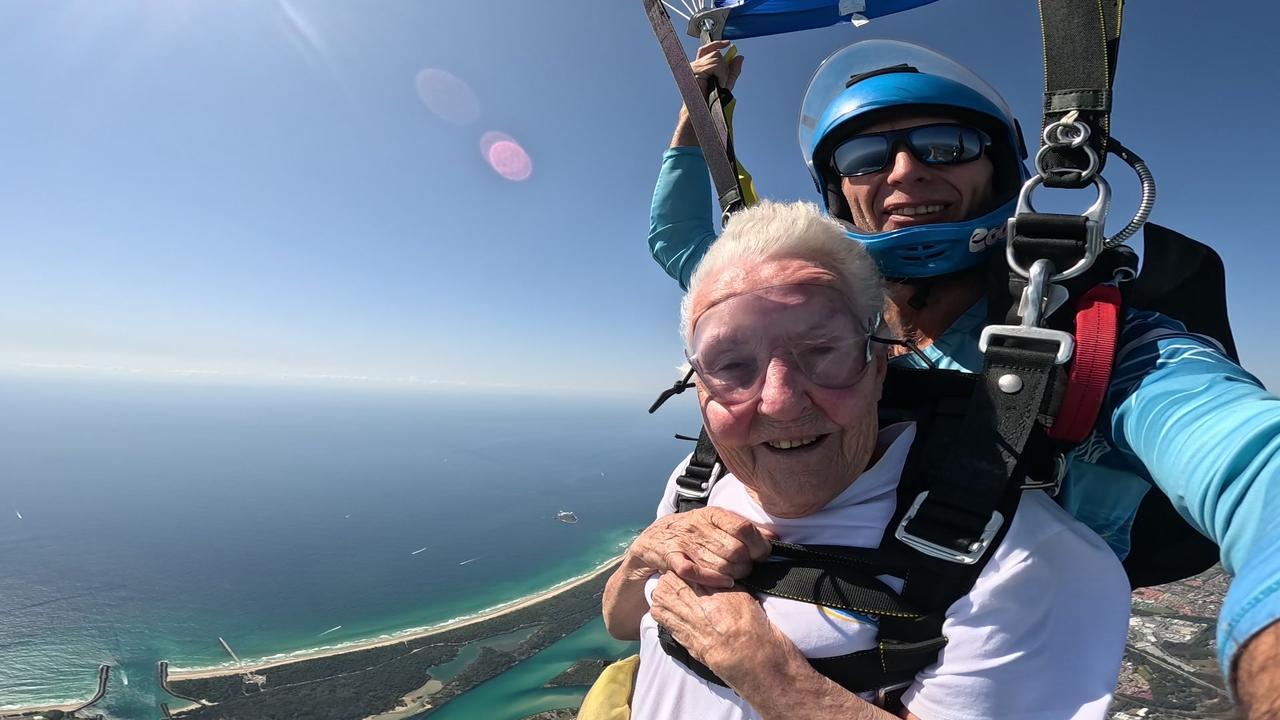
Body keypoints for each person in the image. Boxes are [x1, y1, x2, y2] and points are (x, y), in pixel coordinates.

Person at [647, 39, 1280, 715]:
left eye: (945, 145)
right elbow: (681, 242)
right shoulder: (811, 312)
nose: (904, 173)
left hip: (1013, 635)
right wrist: (702, 108)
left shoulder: (1091, 341)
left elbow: (1249, 459)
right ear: (840, 191)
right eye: (866, 158)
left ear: (999, 166)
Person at [603, 200, 1131, 719]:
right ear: (697, 388)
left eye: (821, 351)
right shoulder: (698, 482)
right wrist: (644, 555)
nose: (781, 403)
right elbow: (622, 622)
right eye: (733, 365)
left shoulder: (1018, 558)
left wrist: (764, 671)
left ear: (878, 364)